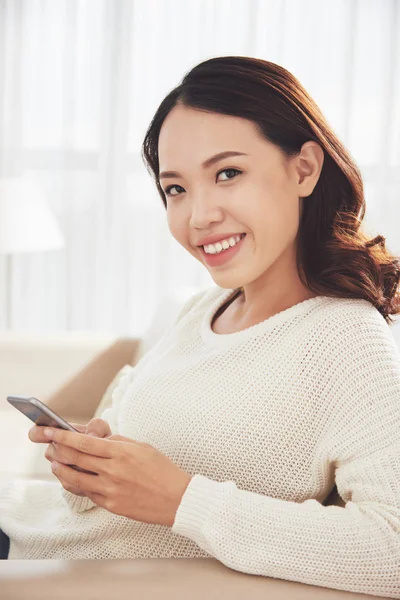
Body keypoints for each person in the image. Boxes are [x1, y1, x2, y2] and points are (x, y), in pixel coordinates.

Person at [1, 55, 399, 598]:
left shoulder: (346, 340)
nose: (198, 216)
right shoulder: (204, 309)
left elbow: (391, 546)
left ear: (304, 168)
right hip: (27, 529)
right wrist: (89, 467)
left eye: (227, 174)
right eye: (176, 189)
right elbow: (110, 480)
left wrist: (184, 500)